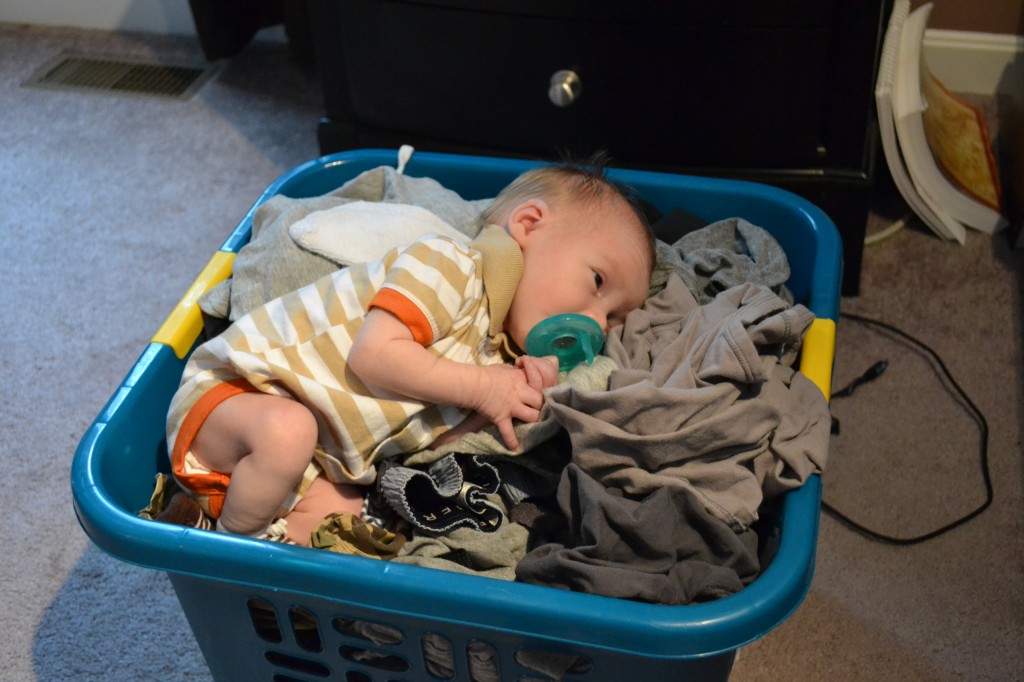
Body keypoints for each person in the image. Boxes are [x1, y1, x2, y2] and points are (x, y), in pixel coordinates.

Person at [165, 155, 655, 545]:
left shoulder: (493, 355)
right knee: (287, 429)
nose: (596, 324)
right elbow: (373, 356)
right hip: (235, 400)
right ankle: (228, 549)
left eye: (614, 318)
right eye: (596, 282)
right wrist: (484, 388)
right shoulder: (449, 265)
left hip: (314, 467)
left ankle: (232, 528)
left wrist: (507, 403)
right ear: (528, 224)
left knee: (361, 532)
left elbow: (432, 445)